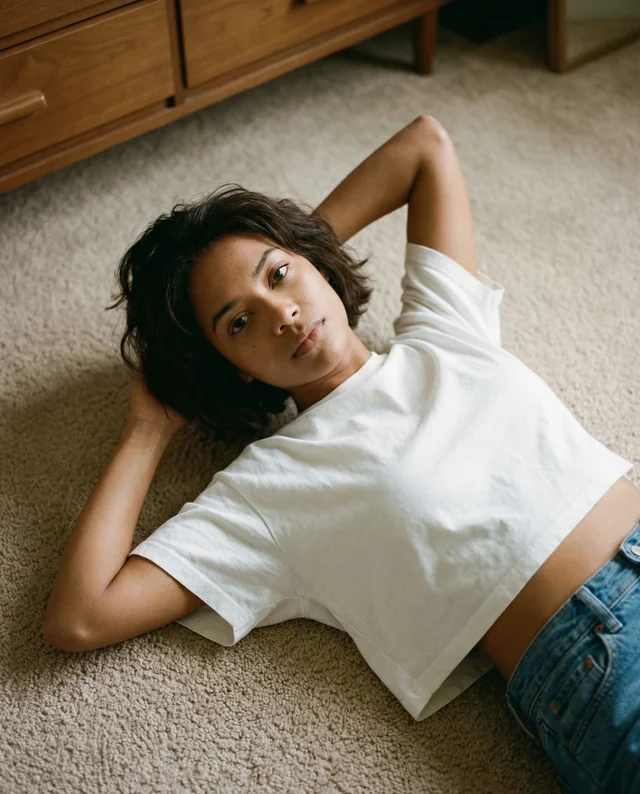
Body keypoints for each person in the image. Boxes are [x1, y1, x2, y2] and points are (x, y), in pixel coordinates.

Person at [43, 115, 640, 793]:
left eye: (279, 276)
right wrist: (147, 430)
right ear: (230, 366)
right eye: (238, 322)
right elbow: (81, 614)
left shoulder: (442, 329)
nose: (283, 315)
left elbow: (425, 146)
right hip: (599, 650)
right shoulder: (271, 487)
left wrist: (299, 252)